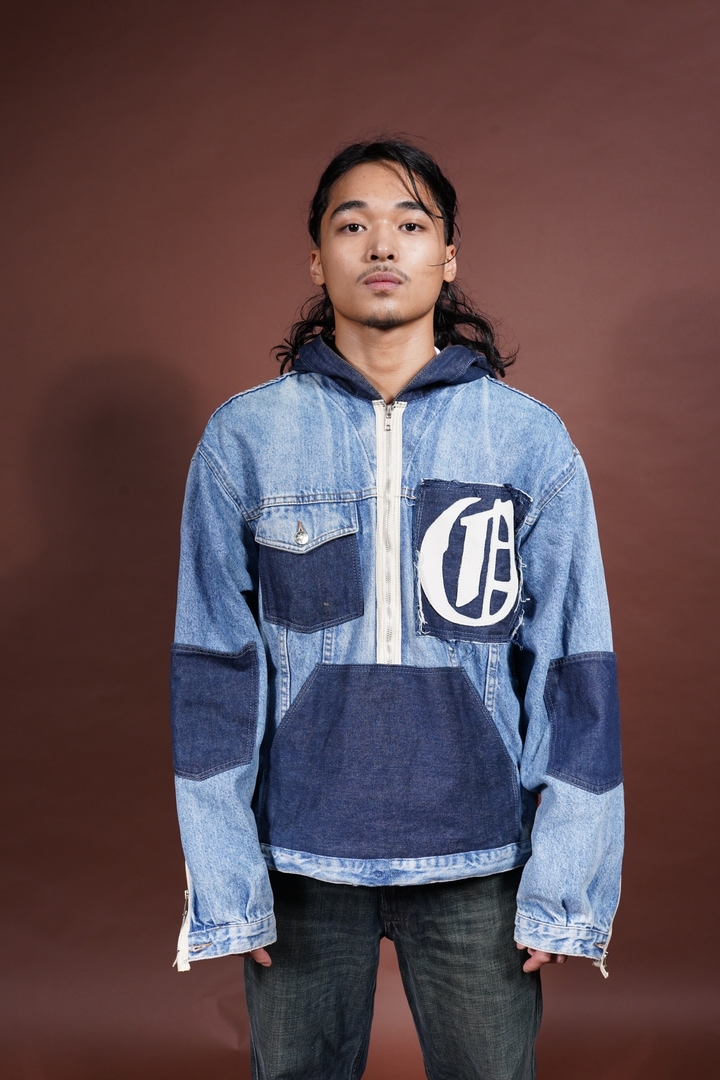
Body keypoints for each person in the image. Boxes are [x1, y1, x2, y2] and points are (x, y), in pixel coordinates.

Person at [170, 139, 623, 1080]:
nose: (382, 244)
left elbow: (577, 673)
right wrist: (229, 880)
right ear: (317, 258)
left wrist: (563, 885)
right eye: (353, 225)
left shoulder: (528, 440)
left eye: (411, 224)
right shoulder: (244, 440)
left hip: (480, 859)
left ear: (447, 256)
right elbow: (212, 674)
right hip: (298, 861)